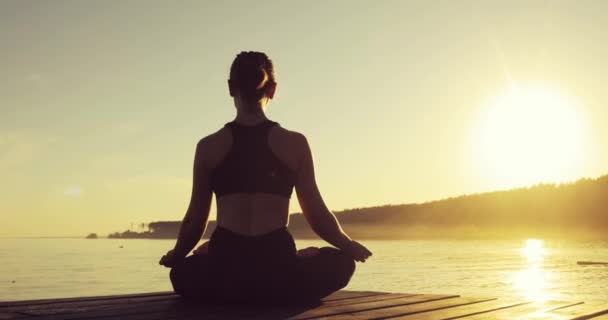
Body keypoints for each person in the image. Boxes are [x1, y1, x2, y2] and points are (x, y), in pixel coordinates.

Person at [159, 51, 372, 305]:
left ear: (230, 88)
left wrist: (177, 255)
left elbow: (195, 220)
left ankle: (231, 285)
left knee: (181, 274)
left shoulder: (208, 147)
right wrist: (349, 246)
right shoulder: (294, 143)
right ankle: (285, 275)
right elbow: (317, 215)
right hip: (278, 272)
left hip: (226, 271)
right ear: (272, 89)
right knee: (340, 263)